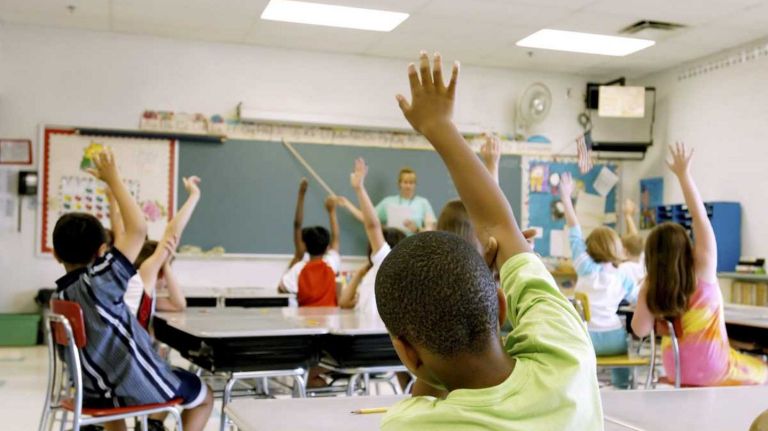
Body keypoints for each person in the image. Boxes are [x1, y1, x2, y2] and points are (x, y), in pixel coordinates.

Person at [374, 51, 601, 430]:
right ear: (500, 305)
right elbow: (499, 224)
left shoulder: (412, 426)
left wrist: (424, 369)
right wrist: (440, 126)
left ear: (407, 353)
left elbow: (423, 394)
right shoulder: (568, 354)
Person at [52, 149, 213, 431]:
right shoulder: (106, 280)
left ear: (56, 254)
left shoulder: (59, 297)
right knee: (204, 396)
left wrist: (111, 192)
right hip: (133, 385)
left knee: (120, 381)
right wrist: (113, 179)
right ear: (103, 252)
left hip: (91, 391)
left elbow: (128, 230)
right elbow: (138, 229)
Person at [631, 143, 768, 386]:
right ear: (685, 245)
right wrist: (684, 175)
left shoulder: (652, 285)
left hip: (676, 370)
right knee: (763, 370)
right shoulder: (703, 266)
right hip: (714, 367)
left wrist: (646, 292)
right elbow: (699, 216)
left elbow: (640, 330)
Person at [337, 158, 405, 317]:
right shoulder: (372, 272)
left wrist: (359, 189)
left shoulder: (387, 264)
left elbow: (373, 226)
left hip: (376, 339)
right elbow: (344, 303)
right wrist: (359, 274)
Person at [278, 178, 340, 307]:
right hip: (330, 321)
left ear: (304, 245)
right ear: (327, 247)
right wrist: (332, 211)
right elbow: (336, 238)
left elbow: (281, 289)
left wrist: (301, 195)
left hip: (306, 323)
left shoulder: (298, 268)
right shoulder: (332, 264)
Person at [339, 167, 436, 235]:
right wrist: (347, 204)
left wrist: (417, 229)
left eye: (411, 183)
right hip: (393, 248)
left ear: (415, 185)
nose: (408, 186)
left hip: (416, 248)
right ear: (399, 184)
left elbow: (431, 230)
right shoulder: (389, 202)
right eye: (405, 182)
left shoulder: (423, 203)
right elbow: (368, 218)